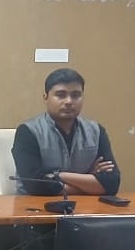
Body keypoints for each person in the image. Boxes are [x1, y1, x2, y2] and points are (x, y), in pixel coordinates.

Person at [11, 68, 120, 196]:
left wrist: (59, 175)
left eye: (76, 95)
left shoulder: (96, 131)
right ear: (46, 98)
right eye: (61, 95)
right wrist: (88, 181)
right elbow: (36, 185)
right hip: (35, 205)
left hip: (85, 206)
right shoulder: (28, 132)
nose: (69, 101)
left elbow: (112, 183)